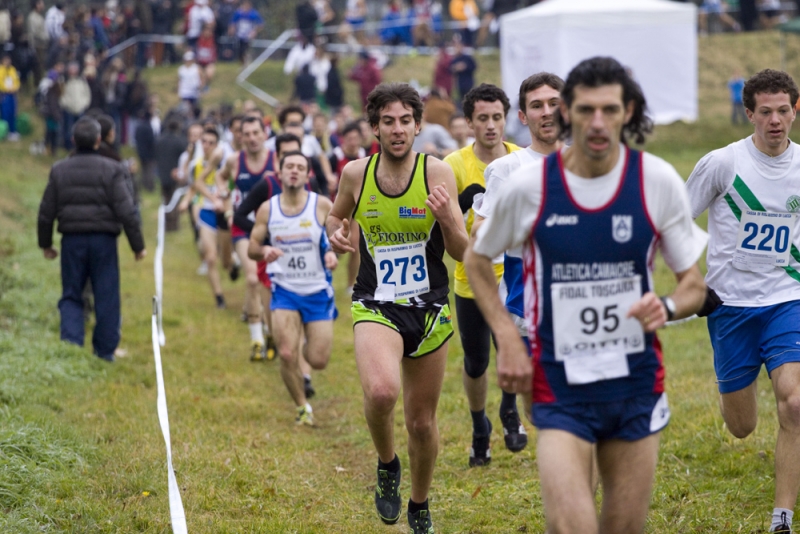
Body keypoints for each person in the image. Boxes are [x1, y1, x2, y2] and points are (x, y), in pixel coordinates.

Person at [465, 56, 707, 533]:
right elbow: (477, 259)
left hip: (634, 381)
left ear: (628, 112)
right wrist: (508, 340)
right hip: (558, 379)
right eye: (586, 109)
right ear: (568, 113)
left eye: (610, 110)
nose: (598, 123)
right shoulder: (529, 186)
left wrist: (670, 304)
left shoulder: (655, 181)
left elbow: (693, 284)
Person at [326, 83, 468, 533]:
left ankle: (420, 502)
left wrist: (446, 218)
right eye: (388, 121)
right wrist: (335, 232)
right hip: (376, 303)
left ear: (419, 125)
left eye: (406, 120)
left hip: (428, 310)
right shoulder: (355, 174)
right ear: (374, 128)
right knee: (382, 392)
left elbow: (463, 251)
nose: (397, 129)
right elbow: (335, 214)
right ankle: (387, 464)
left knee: (421, 423)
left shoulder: (438, 173)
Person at [686, 68, 800, 534]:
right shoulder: (722, 163)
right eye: (766, 112)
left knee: (794, 404)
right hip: (730, 308)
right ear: (749, 113)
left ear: (796, 110)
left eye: (784, 110)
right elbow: (673, 222)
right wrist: (691, 283)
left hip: (787, 300)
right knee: (742, 427)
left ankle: (782, 517)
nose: (776, 120)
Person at [442, 83, 523, 465]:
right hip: (472, 279)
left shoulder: (524, 159)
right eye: (482, 119)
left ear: (506, 119)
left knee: (512, 348)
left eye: (497, 117)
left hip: (517, 276)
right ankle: (479, 427)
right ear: (469, 123)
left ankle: (510, 409)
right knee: (476, 363)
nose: (491, 126)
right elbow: (449, 228)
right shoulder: (453, 166)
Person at [37, 117, 146, 362]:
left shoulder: (59, 169)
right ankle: (105, 351)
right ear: (99, 140)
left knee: (72, 293)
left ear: (73, 140)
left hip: (71, 241)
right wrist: (137, 246)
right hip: (103, 241)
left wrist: (46, 244)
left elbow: (46, 211)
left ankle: (71, 347)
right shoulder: (113, 169)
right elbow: (126, 210)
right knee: (106, 294)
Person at [248, 150, 337, 425]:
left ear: (309, 174)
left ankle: (306, 338)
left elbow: (338, 236)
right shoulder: (268, 208)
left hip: (317, 291)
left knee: (318, 359)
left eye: (300, 167)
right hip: (284, 290)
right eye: (290, 166)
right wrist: (264, 251)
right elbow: (251, 248)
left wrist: (332, 252)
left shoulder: (321, 205)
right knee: (287, 353)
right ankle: (302, 407)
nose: (295, 171)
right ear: (280, 173)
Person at [217, 116, 274, 362]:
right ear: (240, 136)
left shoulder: (275, 159)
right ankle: (256, 340)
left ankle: (272, 331)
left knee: (270, 282)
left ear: (264, 134)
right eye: (246, 134)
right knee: (252, 278)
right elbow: (221, 178)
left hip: (272, 228)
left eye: (255, 133)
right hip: (243, 227)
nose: (251, 138)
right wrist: (227, 202)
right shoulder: (233, 160)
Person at [231, 0, 263, 64]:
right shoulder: (239, 13)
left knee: (245, 50)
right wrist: (232, 29)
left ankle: (246, 62)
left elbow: (260, 24)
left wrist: (255, 32)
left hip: (248, 36)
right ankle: (243, 63)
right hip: (239, 35)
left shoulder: (253, 14)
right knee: (240, 51)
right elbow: (233, 22)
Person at [450, 38, 477, 106]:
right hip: (460, 84)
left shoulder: (467, 58)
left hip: (468, 83)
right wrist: (455, 68)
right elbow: (450, 70)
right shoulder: (454, 59)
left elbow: (474, 67)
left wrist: (465, 67)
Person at [0, 53, 20, 141]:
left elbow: (16, 80)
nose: (8, 62)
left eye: (9, 60)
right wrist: (7, 89)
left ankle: (13, 131)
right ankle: (6, 131)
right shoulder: (1, 70)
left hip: (13, 94)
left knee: (13, 113)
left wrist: (15, 88)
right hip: (4, 94)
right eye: (6, 60)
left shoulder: (12, 69)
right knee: (5, 113)